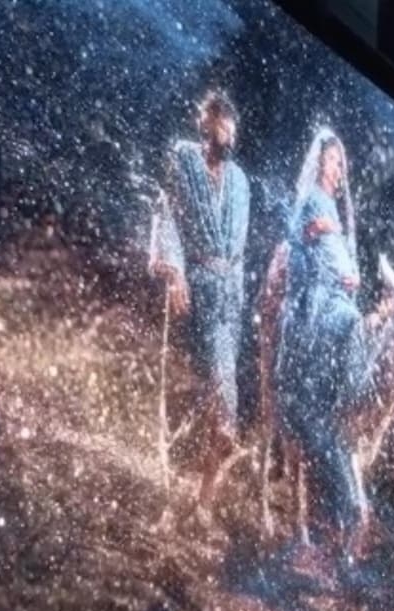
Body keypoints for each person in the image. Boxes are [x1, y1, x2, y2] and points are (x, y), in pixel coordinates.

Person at [149, 90, 251, 515]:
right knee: (214, 388)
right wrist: (175, 272)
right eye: (218, 122)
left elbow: (240, 250)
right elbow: (167, 215)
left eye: (230, 125)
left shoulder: (241, 182)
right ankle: (190, 474)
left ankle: (205, 496)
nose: (226, 132)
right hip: (196, 285)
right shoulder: (183, 159)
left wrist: (237, 295)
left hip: (229, 298)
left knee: (224, 390)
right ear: (204, 123)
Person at [273, 128, 371, 568]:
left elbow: (344, 262)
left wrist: (351, 277)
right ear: (319, 163)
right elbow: (297, 237)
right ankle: (348, 398)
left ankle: (350, 401)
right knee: (352, 326)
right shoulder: (312, 199)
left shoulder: (338, 209)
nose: (338, 168)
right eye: (332, 161)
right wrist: (313, 230)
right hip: (315, 304)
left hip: (336, 299)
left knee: (358, 323)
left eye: (340, 162)